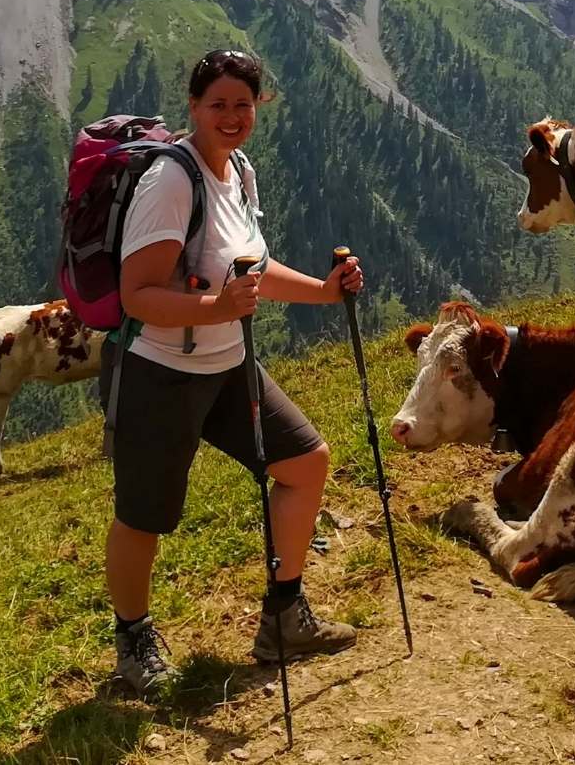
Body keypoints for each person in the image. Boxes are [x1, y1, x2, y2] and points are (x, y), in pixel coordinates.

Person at [100, 47, 363, 697]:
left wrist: (326, 292)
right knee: (144, 516)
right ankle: (133, 645)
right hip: (157, 372)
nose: (231, 115)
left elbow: (252, 270)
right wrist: (218, 304)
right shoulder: (171, 183)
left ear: (258, 108)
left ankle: (284, 617)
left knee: (304, 463)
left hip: (227, 365)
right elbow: (136, 294)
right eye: (217, 104)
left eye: (242, 104)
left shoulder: (240, 173)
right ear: (193, 107)